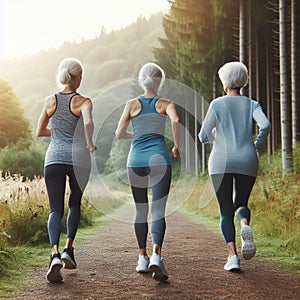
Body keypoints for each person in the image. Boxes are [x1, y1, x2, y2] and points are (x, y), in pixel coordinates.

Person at [198, 61, 271, 272]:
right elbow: (265, 125)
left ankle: (233, 257)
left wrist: (213, 136)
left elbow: (203, 136)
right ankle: (245, 225)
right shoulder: (252, 104)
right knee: (241, 202)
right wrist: (257, 144)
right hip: (247, 158)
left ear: (224, 82)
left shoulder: (217, 104)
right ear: (243, 81)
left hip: (220, 160)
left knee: (225, 210)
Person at [115, 62, 180, 281]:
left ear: (142, 80)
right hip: (160, 159)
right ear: (159, 80)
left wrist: (136, 136)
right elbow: (176, 120)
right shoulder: (165, 103)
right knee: (159, 210)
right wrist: (176, 145)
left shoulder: (131, 105)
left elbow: (119, 133)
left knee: (141, 209)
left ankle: (141, 258)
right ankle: (156, 255)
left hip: (135, 161)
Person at [36, 57, 96, 282]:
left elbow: (40, 131)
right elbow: (88, 122)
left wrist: (59, 134)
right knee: (74, 203)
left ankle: (54, 254)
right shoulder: (84, 101)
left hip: (53, 159)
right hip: (79, 158)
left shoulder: (49, 101)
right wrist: (88, 141)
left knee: (55, 209)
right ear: (78, 77)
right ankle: (68, 250)